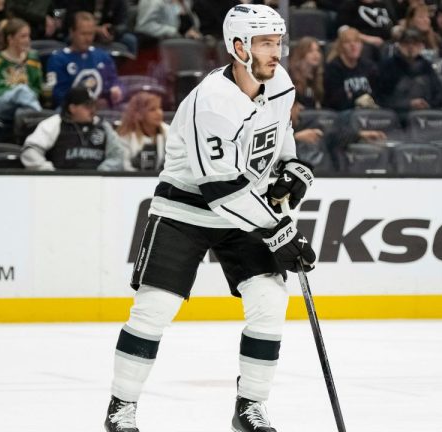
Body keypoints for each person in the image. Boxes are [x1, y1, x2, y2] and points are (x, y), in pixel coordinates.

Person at [103, 5, 316, 432]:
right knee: (154, 308)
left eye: (278, 41)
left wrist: (292, 168)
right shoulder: (212, 102)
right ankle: (120, 406)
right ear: (239, 47)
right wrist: (278, 232)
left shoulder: (280, 82)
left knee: (270, 302)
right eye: (265, 43)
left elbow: (280, 135)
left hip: (244, 209)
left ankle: (250, 406)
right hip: (185, 210)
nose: (277, 51)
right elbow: (221, 190)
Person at [21, 86, 125, 170]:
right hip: (59, 185)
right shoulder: (54, 123)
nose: (93, 110)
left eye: (94, 105)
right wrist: (49, 172)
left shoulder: (103, 126)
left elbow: (118, 155)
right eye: (87, 106)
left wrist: (102, 173)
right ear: (72, 108)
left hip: (97, 185)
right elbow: (30, 151)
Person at [46, 11, 123, 108]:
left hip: (103, 110)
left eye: (91, 34)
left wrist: (117, 90)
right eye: (83, 34)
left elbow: (115, 81)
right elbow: (58, 94)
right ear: (72, 32)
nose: (88, 39)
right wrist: (86, 106)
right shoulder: (58, 59)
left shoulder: (103, 56)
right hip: (72, 112)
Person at [0, 17, 43, 123]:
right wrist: (14, 93)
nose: (28, 40)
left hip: (26, 103)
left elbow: (37, 87)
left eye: (28, 36)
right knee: (21, 90)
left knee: (23, 110)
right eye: (23, 36)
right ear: (10, 39)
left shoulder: (32, 59)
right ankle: (42, 119)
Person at [378, 28, 442, 122]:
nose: (411, 47)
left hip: (426, 113)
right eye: (406, 43)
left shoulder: (426, 66)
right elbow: (381, 98)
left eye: (415, 44)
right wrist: (408, 104)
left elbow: (438, 94)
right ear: (399, 45)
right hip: (397, 115)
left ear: (422, 46)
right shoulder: (387, 66)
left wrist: (428, 104)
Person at [323, 26, 380, 110]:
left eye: (356, 42)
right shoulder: (333, 68)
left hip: (369, 111)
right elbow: (335, 101)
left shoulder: (369, 67)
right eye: (348, 42)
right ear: (341, 47)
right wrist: (357, 99)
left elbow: (377, 95)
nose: (353, 45)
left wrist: (352, 96)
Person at [116, 91, 168, 171]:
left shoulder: (168, 132)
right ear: (138, 114)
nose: (159, 113)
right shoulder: (125, 136)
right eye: (152, 109)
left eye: (160, 108)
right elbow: (124, 167)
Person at [63, 0, 137, 55]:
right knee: (70, 38)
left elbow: (123, 24)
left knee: (130, 40)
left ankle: (129, 72)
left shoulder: (118, 1)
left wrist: (112, 31)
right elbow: (69, 21)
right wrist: (96, 29)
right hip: (83, 31)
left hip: (109, 34)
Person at [134, 0, 201, 42]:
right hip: (159, 48)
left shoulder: (187, 1)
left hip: (187, 46)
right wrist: (176, 32)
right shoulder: (152, 1)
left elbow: (189, 25)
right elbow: (144, 26)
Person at [288, 36, 324, 109]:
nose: (316, 54)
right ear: (301, 53)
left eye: (317, 50)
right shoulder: (290, 76)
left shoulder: (318, 75)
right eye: (310, 51)